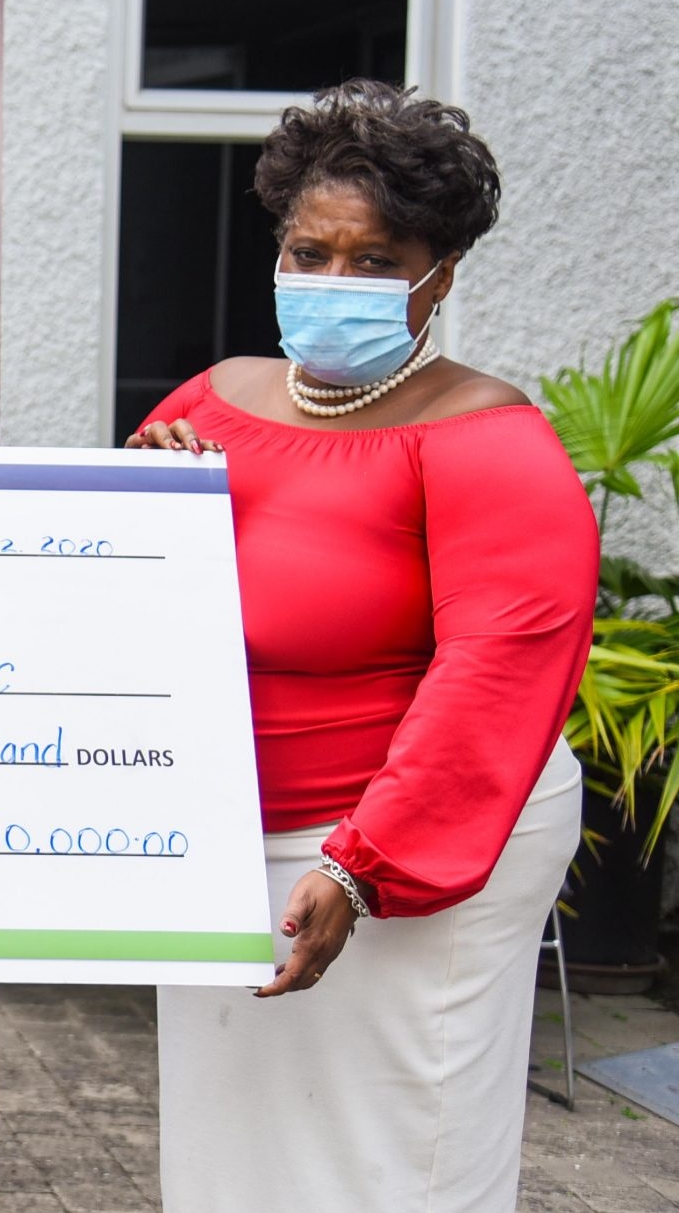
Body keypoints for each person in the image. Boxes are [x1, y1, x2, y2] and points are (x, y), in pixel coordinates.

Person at [129, 79, 596, 1211]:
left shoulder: (485, 440)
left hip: (391, 849)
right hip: (227, 839)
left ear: (438, 273)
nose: (334, 281)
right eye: (310, 252)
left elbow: (497, 673)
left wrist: (363, 865)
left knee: (387, 1155)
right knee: (235, 1153)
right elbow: (141, 598)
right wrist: (138, 490)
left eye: (375, 261)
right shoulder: (217, 398)